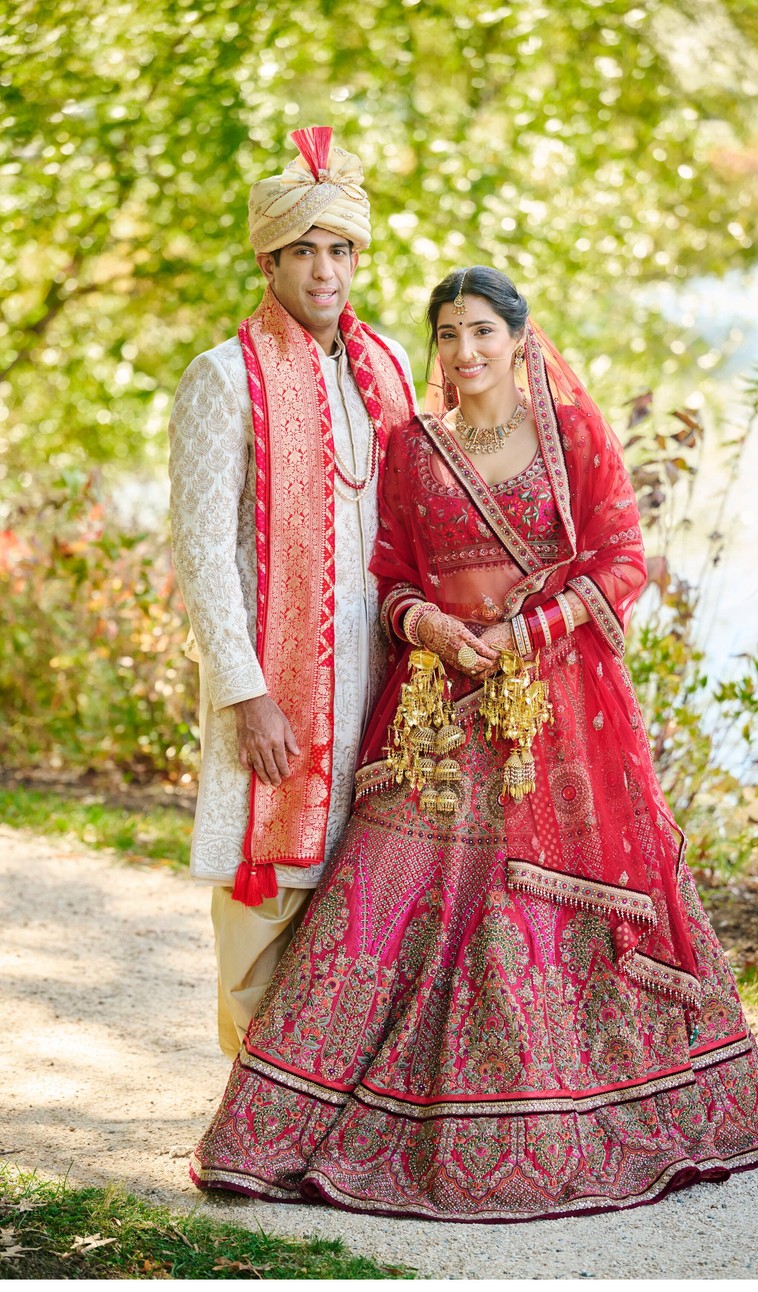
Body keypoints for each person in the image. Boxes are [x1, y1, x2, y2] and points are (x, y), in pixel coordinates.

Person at [190, 265, 758, 1222]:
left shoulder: (569, 438)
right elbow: (387, 574)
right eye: (445, 335)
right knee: (377, 901)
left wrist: (527, 635)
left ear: (519, 336)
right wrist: (428, 626)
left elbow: (622, 561)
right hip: (435, 715)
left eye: (480, 331)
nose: (463, 352)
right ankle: (289, 1128)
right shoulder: (413, 447)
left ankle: (580, 1116)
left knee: (543, 905)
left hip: (555, 712)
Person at [169, 127, 415, 1061]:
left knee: (355, 885)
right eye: (303, 250)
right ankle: (249, 1100)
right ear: (268, 260)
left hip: (377, 674)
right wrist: (247, 692)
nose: (324, 270)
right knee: (263, 893)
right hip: (273, 682)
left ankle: (322, 1101)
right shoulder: (222, 377)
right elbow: (201, 554)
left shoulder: (383, 369)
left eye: (339, 249)